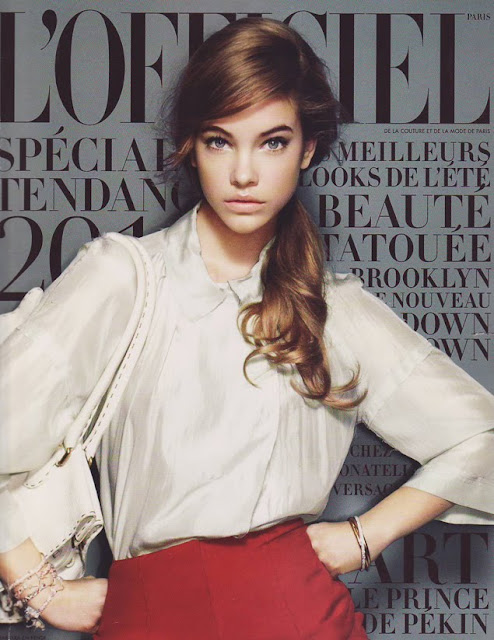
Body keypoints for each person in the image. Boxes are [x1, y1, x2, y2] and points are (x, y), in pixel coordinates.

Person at [0, 16, 493, 640]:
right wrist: (38, 586)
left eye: (272, 143)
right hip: (151, 614)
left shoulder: (330, 307)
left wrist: (365, 535)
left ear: (307, 149)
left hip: (299, 614)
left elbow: (480, 434)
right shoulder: (123, 278)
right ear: (191, 145)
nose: (243, 173)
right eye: (219, 141)